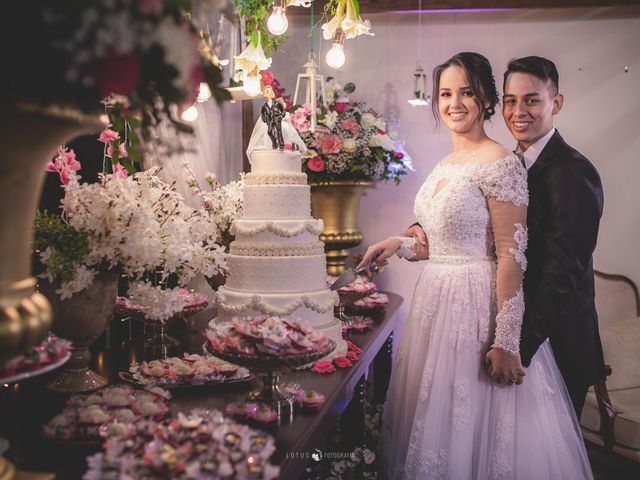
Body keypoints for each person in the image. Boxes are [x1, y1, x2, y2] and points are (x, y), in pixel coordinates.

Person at [357, 52, 593, 479]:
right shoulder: (446, 164)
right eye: (445, 93)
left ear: (485, 99)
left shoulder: (504, 161)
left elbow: (510, 254)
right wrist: (398, 242)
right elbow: (448, 241)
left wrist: (508, 340)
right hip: (436, 308)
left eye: (466, 92)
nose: (455, 103)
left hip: (476, 311)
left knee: (479, 429)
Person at [403, 56, 605, 418]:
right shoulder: (505, 161)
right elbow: (476, 216)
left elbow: (561, 273)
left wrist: (514, 344)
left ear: (555, 103)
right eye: (511, 100)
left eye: (531, 100)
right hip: (502, 326)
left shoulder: (574, 172)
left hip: (554, 338)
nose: (518, 111)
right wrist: (424, 228)